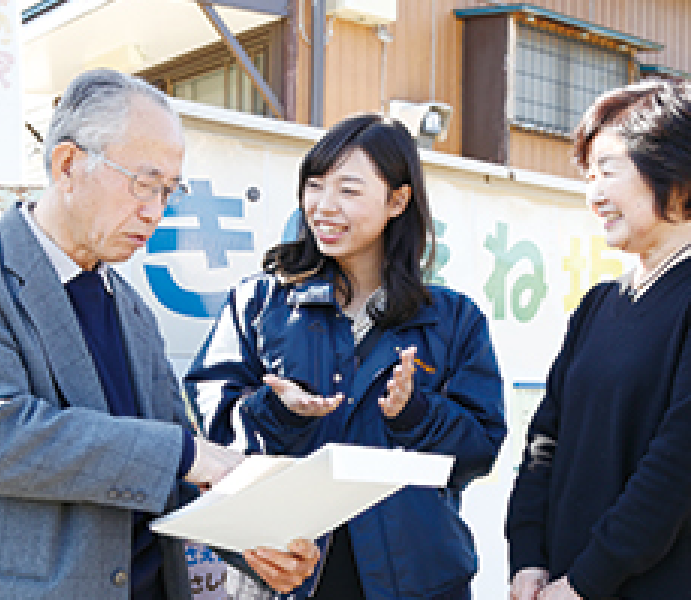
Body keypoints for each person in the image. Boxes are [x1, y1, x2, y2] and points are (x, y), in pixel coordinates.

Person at [0, 68, 319, 600]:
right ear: (67, 165)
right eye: (143, 183)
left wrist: (252, 541)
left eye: (168, 191)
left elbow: (177, 474)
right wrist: (188, 455)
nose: (154, 211)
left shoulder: (130, 307)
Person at [184, 113, 507, 599]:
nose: (324, 206)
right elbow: (214, 431)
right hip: (287, 573)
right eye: (315, 186)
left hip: (416, 581)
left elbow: (478, 450)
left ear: (397, 200)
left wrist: (415, 414)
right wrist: (278, 412)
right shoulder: (259, 303)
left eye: (348, 190)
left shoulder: (452, 318)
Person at [506, 78, 691, 600]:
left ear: (674, 173)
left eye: (608, 171)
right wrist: (527, 558)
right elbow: (545, 438)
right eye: (589, 176)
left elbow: (675, 467)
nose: (595, 194)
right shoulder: (597, 305)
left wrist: (587, 582)